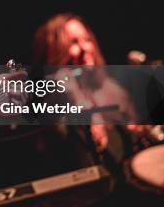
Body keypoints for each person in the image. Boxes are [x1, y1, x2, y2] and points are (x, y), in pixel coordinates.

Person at [32, 13, 138, 152]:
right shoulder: (50, 96)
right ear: (54, 51)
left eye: (87, 40)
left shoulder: (112, 89)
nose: (85, 48)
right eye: (74, 42)